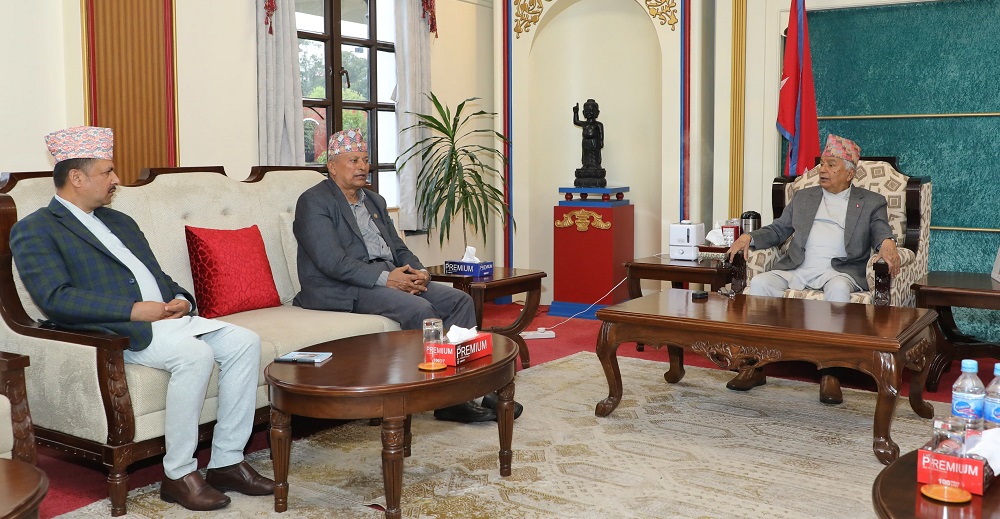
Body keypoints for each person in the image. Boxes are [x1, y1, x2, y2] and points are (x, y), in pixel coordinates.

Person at [10, 126, 274, 512]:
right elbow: (55, 298)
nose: (116, 179)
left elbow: (156, 275)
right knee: (195, 354)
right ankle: (178, 474)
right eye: (107, 171)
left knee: (245, 342)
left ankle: (227, 462)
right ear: (77, 178)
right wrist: (133, 310)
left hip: (166, 319)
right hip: (115, 330)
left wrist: (181, 299)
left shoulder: (119, 221)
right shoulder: (35, 229)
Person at [292, 129, 522, 423]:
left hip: (387, 276)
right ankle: (436, 395)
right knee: (420, 310)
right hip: (341, 285)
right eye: (353, 160)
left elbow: (398, 247)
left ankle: (467, 392)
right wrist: (387, 279)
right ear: (332, 167)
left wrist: (419, 272)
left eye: (365, 160)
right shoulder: (314, 201)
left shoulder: (373, 200)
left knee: (460, 301)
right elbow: (331, 262)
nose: (363, 167)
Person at [725, 134, 901, 403]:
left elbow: (880, 229)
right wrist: (750, 237)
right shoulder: (804, 196)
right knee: (760, 284)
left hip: (838, 271)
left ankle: (830, 372)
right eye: (822, 164)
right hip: (798, 267)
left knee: (839, 290)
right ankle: (754, 366)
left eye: (831, 165)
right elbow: (779, 230)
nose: (823, 170)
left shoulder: (870, 201)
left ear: (850, 173)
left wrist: (887, 243)